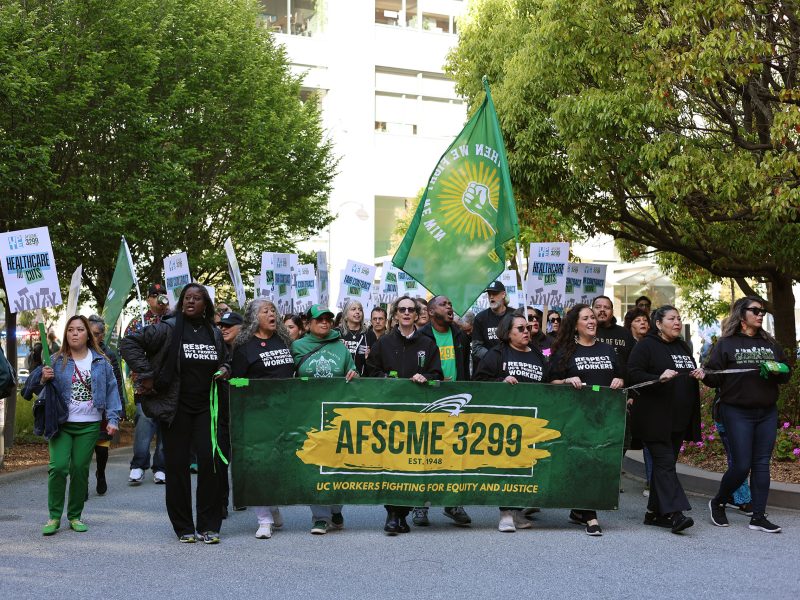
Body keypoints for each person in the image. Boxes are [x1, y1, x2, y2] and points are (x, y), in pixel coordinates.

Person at [120, 283, 228, 544]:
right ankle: (184, 527)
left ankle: (209, 525)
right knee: (177, 466)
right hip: (176, 408)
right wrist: (145, 374)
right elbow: (129, 343)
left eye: (197, 298)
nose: (191, 302)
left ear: (206, 305)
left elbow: (226, 358)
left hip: (206, 408)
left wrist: (225, 368)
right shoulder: (167, 328)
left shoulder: (213, 332)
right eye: (187, 298)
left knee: (209, 463)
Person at [704, 297, 791, 533]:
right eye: (755, 311)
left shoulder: (770, 343)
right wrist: (702, 375)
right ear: (742, 315)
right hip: (736, 410)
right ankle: (718, 501)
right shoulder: (726, 343)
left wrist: (778, 369)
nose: (761, 315)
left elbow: (786, 373)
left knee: (762, 463)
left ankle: (759, 517)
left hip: (766, 411)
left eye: (763, 312)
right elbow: (714, 376)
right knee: (741, 465)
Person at [366, 295, 443, 536]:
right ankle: (392, 514)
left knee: (412, 464)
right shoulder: (384, 343)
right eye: (402, 309)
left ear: (417, 314)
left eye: (411, 309)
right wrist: (386, 380)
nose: (407, 313)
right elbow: (371, 372)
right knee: (391, 462)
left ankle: (403, 512)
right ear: (395, 314)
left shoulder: (428, 344)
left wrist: (426, 378)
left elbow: (437, 374)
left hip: (418, 415)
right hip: (390, 414)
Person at [39, 316, 122, 535]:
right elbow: (37, 390)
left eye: (80, 330)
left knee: (79, 469)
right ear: (66, 334)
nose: (75, 333)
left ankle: (75, 515)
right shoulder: (56, 360)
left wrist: (113, 419)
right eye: (71, 330)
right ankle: (54, 517)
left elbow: (112, 390)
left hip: (89, 425)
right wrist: (43, 377)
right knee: (58, 468)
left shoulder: (101, 361)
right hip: (62, 424)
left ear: (88, 335)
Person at [549, 304, 624, 536]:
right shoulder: (564, 352)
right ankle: (591, 517)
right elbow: (550, 382)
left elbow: (621, 375)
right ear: (576, 325)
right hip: (577, 418)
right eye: (586, 318)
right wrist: (566, 381)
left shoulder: (608, 350)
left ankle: (578, 510)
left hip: (604, 418)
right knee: (585, 461)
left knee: (598, 462)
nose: (592, 321)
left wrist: (619, 380)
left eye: (593, 317)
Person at [627, 306, 703, 534]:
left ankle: (653, 513)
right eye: (672, 319)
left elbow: (686, 372)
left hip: (678, 418)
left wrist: (698, 373)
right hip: (654, 418)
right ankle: (676, 514)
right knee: (665, 464)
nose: (677, 322)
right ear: (658, 324)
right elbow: (632, 374)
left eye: (679, 318)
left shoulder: (682, 346)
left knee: (664, 466)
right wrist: (657, 378)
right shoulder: (646, 346)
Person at [475, 310, 548, 532]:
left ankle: (516, 512)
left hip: (533, 421)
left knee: (525, 466)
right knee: (506, 466)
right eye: (521, 329)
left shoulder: (536, 353)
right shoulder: (497, 354)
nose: (527, 331)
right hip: (505, 420)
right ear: (507, 333)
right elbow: (479, 381)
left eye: (527, 328)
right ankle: (505, 513)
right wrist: (501, 379)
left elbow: (548, 380)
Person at [291, 304, 358, 534]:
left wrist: (354, 374)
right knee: (313, 464)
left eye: (328, 319)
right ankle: (319, 517)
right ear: (308, 323)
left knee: (337, 463)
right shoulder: (297, 346)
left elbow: (353, 373)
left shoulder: (341, 347)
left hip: (336, 414)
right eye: (319, 319)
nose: (324, 322)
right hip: (308, 413)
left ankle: (336, 507)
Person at [231, 299, 294, 539]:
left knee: (278, 465)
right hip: (257, 415)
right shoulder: (244, 347)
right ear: (253, 317)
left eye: (273, 310)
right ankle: (263, 519)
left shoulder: (284, 340)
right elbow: (236, 382)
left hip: (284, 413)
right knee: (259, 465)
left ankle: (272, 503)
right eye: (265, 310)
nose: (271, 313)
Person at [414, 295, 472, 527]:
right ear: (430, 311)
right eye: (443, 304)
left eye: (450, 303)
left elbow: (466, 366)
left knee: (454, 453)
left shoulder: (460, 336)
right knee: (426, 453)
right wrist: (433, 378)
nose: (450, 306)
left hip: (456, 401)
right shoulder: (421, 336)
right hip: (429, 399)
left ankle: (452, 503)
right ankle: (421, 505)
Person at [125, 283, 168, 485]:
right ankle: (138, 465)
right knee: (144, 422)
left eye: (162, 294)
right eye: (154, 295)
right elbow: (127, 349)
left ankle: (161, 467)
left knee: (166, 425)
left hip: (169, 386)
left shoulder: (174, 320)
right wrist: (144, 371)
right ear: (148, 299)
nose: (159, 298)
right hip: (145, 384)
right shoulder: (137, 323)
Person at [87, 314, 125, 496]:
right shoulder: (77, 352)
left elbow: (117, 382)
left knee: (101, 447)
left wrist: (120, 409)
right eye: (88, 332)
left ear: (102, 336)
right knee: (82, 449)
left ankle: (100, 473)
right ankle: (81, 482)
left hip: (102, 409)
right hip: (82, 408)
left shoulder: (109, 355)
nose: (90, 337)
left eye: (94, 334)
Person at [623, 307, 653, 497]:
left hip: (648, 399)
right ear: (630, 324)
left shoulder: (652, 344)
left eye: (645, 320)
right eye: (637, 320)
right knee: (624, 441)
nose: (643, 323)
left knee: (649, 441)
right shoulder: (625, 345)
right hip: (627, 397)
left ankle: (652, 483)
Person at [216, 310, 243, 516]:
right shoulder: (215, 350)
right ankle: (222, 502)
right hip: (221, 413)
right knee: (221, 459)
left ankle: (243, 496)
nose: (223, 329)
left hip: (245, 413)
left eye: (229, 325)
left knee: (243, 458)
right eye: (221, 325)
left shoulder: (248, 349)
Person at [471, 281, 509, 369]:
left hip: (511, 364)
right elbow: (476, 348)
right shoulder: (480, 318)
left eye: (495, 293)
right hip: (489, 366)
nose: (491, 297)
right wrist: (494, 358)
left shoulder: (514, 315)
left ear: (503, 294)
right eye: (489, 294)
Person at [591, 296, 635, 371]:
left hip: (620, 380)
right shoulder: (586, 332)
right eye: (598, 307)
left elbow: (632, 361)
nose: (602, 310)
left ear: (612, 312)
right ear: (591, 311)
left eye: (606, 307)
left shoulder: (624, 333)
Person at [339, 300, 369, 375]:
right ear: (345, 314)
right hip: (340, 380)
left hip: (362, 381)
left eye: (360, 309)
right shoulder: (337, 333)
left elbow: (374, 363)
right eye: (353, 309)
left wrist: (369, 357)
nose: (357, 312)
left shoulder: (369, 334)